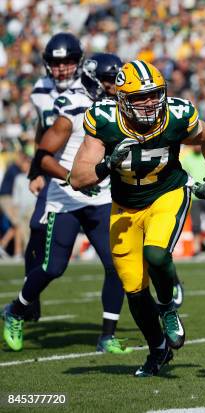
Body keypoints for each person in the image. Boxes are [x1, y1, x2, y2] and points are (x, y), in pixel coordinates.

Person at [70, 59, 205, 377]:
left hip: (167, 193)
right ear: (122, 98)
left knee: (155, 252)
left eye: (154, 94)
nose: (149, 102)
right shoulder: (105, 120)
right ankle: (157, 351)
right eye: (139, 97)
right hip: (125, 207)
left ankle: (167, 307)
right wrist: (106, 165)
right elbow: (78, 177)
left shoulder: (177, 115)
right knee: (133, 288)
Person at [2, 54, 131, 354]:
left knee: (117, 266)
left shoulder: (119, 106)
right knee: (53, 268)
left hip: (101, 198)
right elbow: (43, 155)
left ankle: (107, 336)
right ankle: (16, 310)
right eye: (109, 81)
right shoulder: (72, 107)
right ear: (93, 80)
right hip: (66, 199)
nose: (116, 86)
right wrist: (72, 177)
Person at [24, 32, 85, 322]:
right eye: (56, 63)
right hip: (55, 170)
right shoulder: (40, 90)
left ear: (78, 62)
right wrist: (34, 171)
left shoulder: (90, 86)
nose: (61, 69)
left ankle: (167, 283)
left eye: (68, 62)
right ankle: (29, 299)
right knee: (36, 228)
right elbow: (42, 130)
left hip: (90, 170)